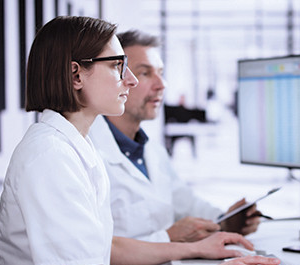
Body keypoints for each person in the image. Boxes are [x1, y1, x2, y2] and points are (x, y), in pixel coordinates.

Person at [0, 16, 284, 265]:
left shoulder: (73, 144)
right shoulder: (49, 156)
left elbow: (106, 247)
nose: (131, 81)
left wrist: (198, 248)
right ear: (75, 75)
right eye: (116, 67)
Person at [89, 30, 262, 243]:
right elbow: (96, 252)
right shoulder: (88, 152)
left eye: (160, 72)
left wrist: (224, 222)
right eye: (145, 73)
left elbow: (185, 203)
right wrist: (168, 238)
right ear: (116, 78)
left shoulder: (151, 150)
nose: (161, 84)